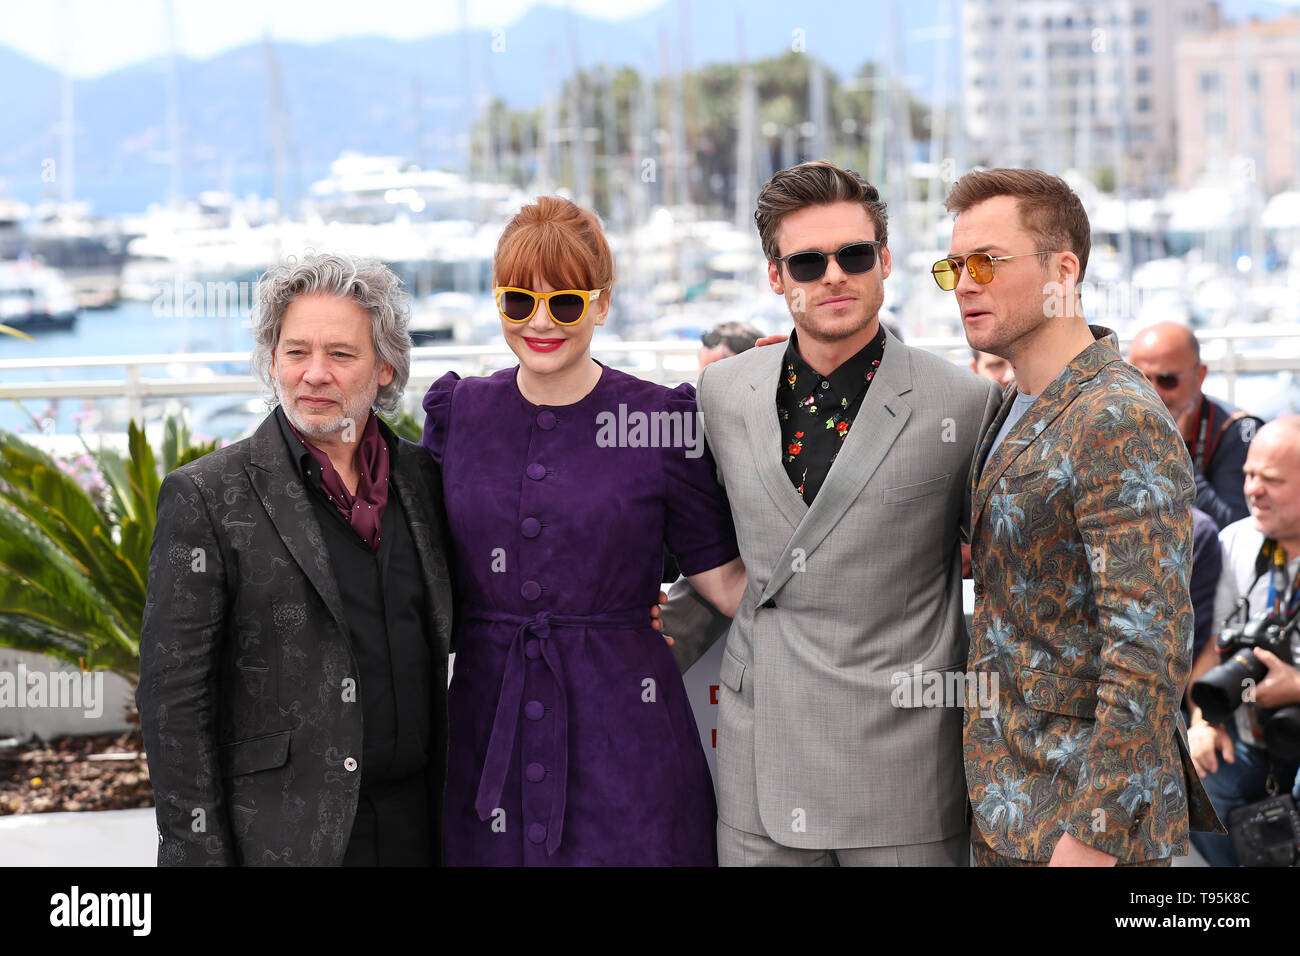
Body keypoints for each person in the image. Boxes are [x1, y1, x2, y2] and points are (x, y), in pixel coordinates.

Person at [663, 160, 1002, 866]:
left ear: (883, 262)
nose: (832, 277)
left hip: (903, 770)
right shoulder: (721, 394)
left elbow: (1015, 581)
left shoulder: (962, 405)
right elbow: (679, 523)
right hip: (762, 761)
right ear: (776, 278)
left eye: (852, 255)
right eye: (807, 262)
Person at [420, 196, 746, 866]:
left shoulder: (660, 419)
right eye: (518, 301)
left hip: (627, 739)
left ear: (601, 302)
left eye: (565, 302)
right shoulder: (459, 413)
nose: (541, 322)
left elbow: (724, 584)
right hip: (486, 730)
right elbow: (410, 568)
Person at [940, 167, 1224, 866]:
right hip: (1006, 805)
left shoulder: (1118, 416)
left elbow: (1148, 650)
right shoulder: (1008, 405)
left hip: (1083, 829)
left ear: (1062, 271)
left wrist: (1094, 836)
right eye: (952, 268)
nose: (966, 282)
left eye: (986, 261)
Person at [137, 252, 455, 865]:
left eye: (340, 354)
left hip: (422, 828)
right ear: (272, 360)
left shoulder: (426, 481)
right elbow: (173, 701)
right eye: (295, 352)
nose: (314, 374)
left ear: (385, 367)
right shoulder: (206, 496)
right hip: (282, 839)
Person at [1188, 417, 1300, 866]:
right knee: (1197, 783)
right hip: (1247, 734)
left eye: (1271, 480)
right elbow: (1212, 648)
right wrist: (1202, 721)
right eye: (1249, 474)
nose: (1252, 489)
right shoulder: (1235, 540)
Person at [1128, 321, 1264, 530]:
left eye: (1167, 380)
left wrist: (1173, 453)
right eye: (1141, 380)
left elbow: (1234, 526)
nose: (1153, 392)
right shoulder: (1118, 426)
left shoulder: (1237, 430)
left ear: (1199, 376)